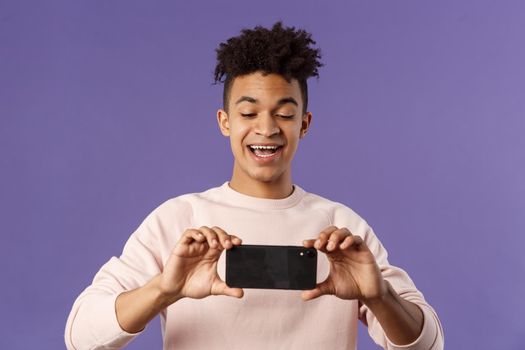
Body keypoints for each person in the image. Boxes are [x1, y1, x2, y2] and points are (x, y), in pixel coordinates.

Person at [65, 21, 444, 350]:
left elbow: (429, 343)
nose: (266, 129)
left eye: (284, 114)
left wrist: (378, 297)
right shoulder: (179, 220)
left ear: (305, 124)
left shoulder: (341, 228)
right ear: (224, 121)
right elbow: (82, 337)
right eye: (248, 113)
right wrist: (164, 289)